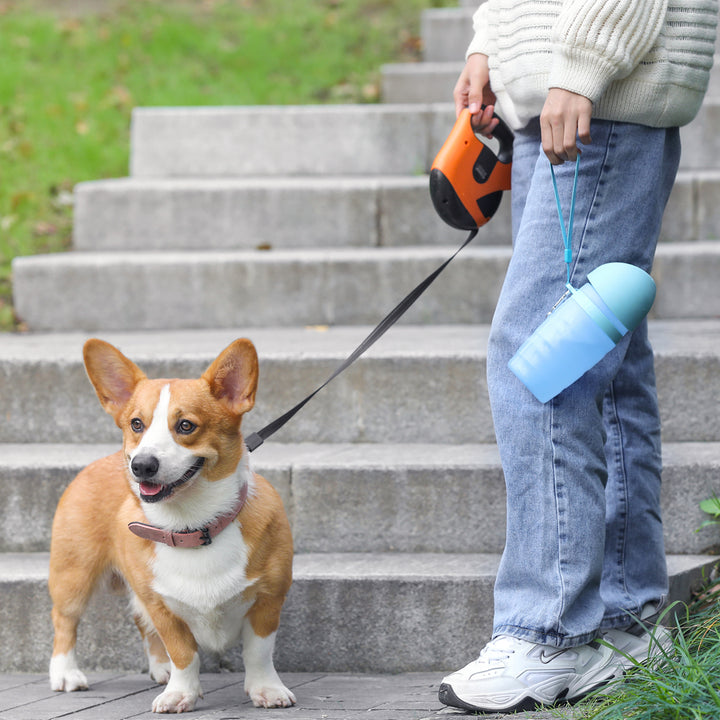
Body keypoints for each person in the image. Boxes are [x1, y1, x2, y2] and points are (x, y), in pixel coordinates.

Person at [438, 0, 719, 713]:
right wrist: (490, 49)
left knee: (542, 359)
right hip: (554, 100)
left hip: (597, 96)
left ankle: (547, 631)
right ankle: (625, 623)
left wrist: (582, 68)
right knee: (606, 367)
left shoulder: (588, 78)